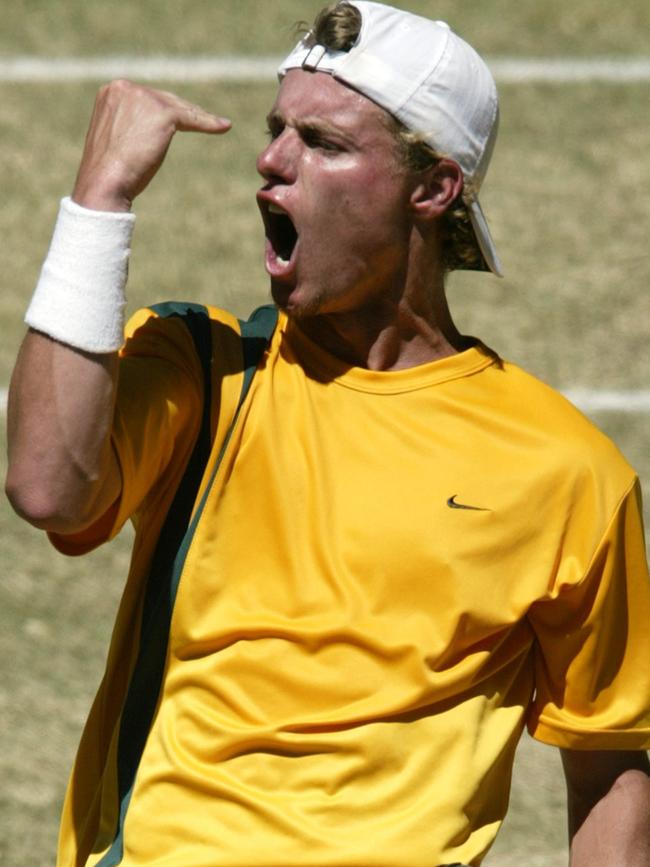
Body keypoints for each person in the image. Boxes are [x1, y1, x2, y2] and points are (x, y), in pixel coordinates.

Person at [5, 1, 650, 865]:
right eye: (277, 131)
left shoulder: (565, 471)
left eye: (324, 143)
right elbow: (48, 487)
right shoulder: (203, 370)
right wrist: (100, 202)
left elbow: (609, 766)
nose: (270, 161)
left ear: (433, 188)